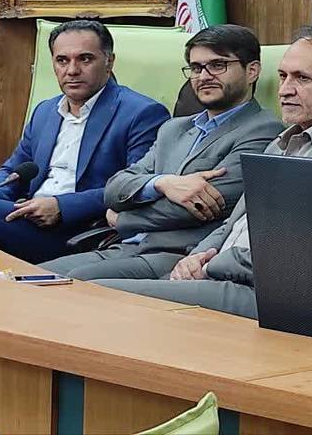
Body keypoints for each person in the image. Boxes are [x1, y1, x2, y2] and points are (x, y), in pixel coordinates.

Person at [93, 25, 312, 316]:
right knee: (88, 295)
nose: (285, 90)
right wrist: (198, 256)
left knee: (102, 299)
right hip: (216, 272)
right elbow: (233, 223)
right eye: (283, 76)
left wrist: (209, 264)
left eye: (302, 78)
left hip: (267, 293)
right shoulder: (282, 143)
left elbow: (300, 247)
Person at [41, 24, 283, 281]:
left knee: (75, 283)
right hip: (127, 246)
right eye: (196, 68)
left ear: (252, 71)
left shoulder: (263, 130)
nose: (204, 76)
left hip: (180, 254)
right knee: (32, 277)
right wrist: (162, 183)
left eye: (217, 65)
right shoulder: (173, 128)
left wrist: (122, 219)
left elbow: (200, 208)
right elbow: (114, 188)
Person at [0, 20, 168, 264]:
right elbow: (13, 170)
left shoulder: (142, 113)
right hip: (29, 216)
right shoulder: (45, 111)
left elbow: (137, 187)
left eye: (85, 59)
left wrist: (62, 206)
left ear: (109, 61)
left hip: (82, 230)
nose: (72, 70)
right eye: (62, 60)